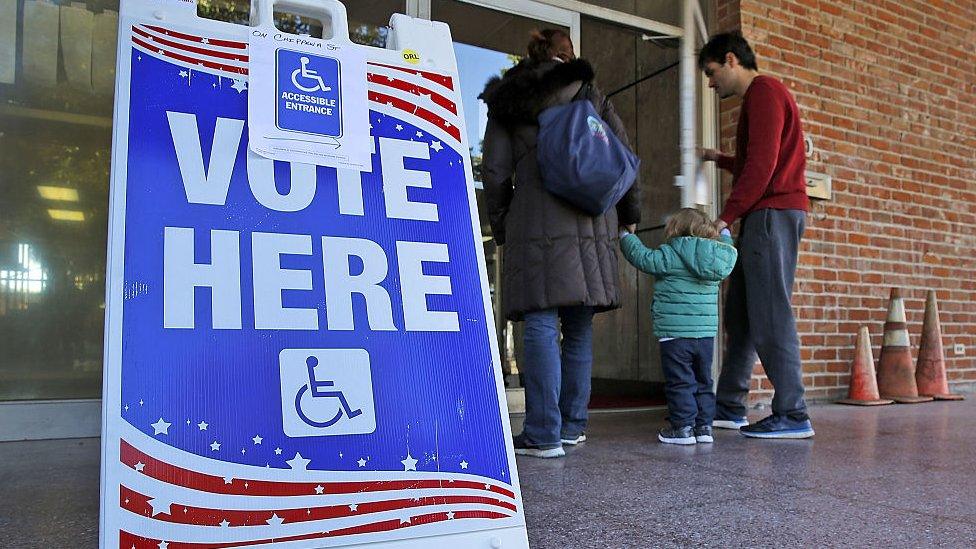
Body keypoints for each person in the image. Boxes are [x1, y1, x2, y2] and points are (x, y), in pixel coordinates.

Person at [479, 29, 641, 458]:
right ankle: (572, 426)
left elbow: (494, 172)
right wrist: (630, 216)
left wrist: (502, 223)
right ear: (565, 56)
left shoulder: (509, 99)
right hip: (592, 216)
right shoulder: (590, 92)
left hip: (534, 219)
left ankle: (543, 433)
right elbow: (623, 156)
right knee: (579, 328)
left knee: (540, 322)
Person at [698, 32, 814, 438]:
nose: (711, 84)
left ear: (731, 60)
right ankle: (729, 405)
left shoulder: (764, 92)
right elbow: (759, 160)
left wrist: (725, 217)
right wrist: (720, 159)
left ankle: (794, 413)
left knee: (770, 312)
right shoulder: (762, 97)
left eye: (711, 74)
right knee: (742, 315)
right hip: (769, 214)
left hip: (772, 214)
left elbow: (763, 167)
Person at [619, 209, 737, 445]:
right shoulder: (717, 257)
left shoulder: (671, 253)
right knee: (704, 380)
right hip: (705, 335)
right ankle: (704, 428)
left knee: (681, 381)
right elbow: (727, 247)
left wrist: (625, 236)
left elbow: (642, 257)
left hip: (674, 334)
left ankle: (683, 428)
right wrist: (725, 232)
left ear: (675, 229)